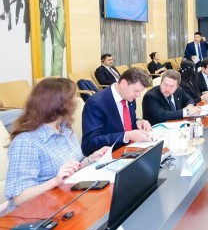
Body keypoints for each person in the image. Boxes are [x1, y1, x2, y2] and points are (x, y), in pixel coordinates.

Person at [5, 78, 109, 210]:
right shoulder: (26, 141)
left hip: (64, 200)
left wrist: (91, 159)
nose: (77, 101)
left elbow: (74, 166)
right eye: (73, 97)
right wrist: (54, 181)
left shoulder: (65, 129)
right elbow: (19, 197)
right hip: (36, 211)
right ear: (60, 104)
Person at [81, 68, 153, 156]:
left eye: (140, 92)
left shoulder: (129, 97)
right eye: (136, 91)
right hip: (108, 155)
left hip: (131, 149)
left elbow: (123, 122)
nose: (138, 95)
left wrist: (138, 121)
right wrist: (126, 136)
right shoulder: (96, 103)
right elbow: (90, 143)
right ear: (123, 83)